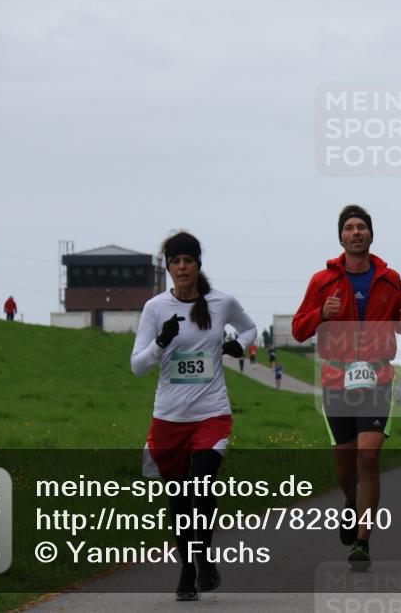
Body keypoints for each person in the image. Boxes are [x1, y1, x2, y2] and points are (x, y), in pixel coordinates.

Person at [131, 231, 256, 601]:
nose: (182, 267)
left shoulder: (221, 302)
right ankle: (188, 567)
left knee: (203, 484)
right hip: (169, 418)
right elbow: (137, 366)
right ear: (168, 268)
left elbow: (248, 327)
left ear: (198, 264)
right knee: (179, 500)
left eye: (188, 261)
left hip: (211, 414)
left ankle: (202, 558)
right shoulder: (155, 308)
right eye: (175, 262)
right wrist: (161, 343)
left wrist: (239, 344)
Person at [292, 204, 401, 572]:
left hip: (377, 379)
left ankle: (362, 540)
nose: (356, 232)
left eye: (362, 227)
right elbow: (299, 330)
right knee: (346, 469)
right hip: (336, 379)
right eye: (350, 228)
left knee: (368, 457)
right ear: (341, 237)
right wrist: (321, 315)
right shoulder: (321, 281)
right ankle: (351, 501)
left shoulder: (390, 278)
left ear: (371, 235)